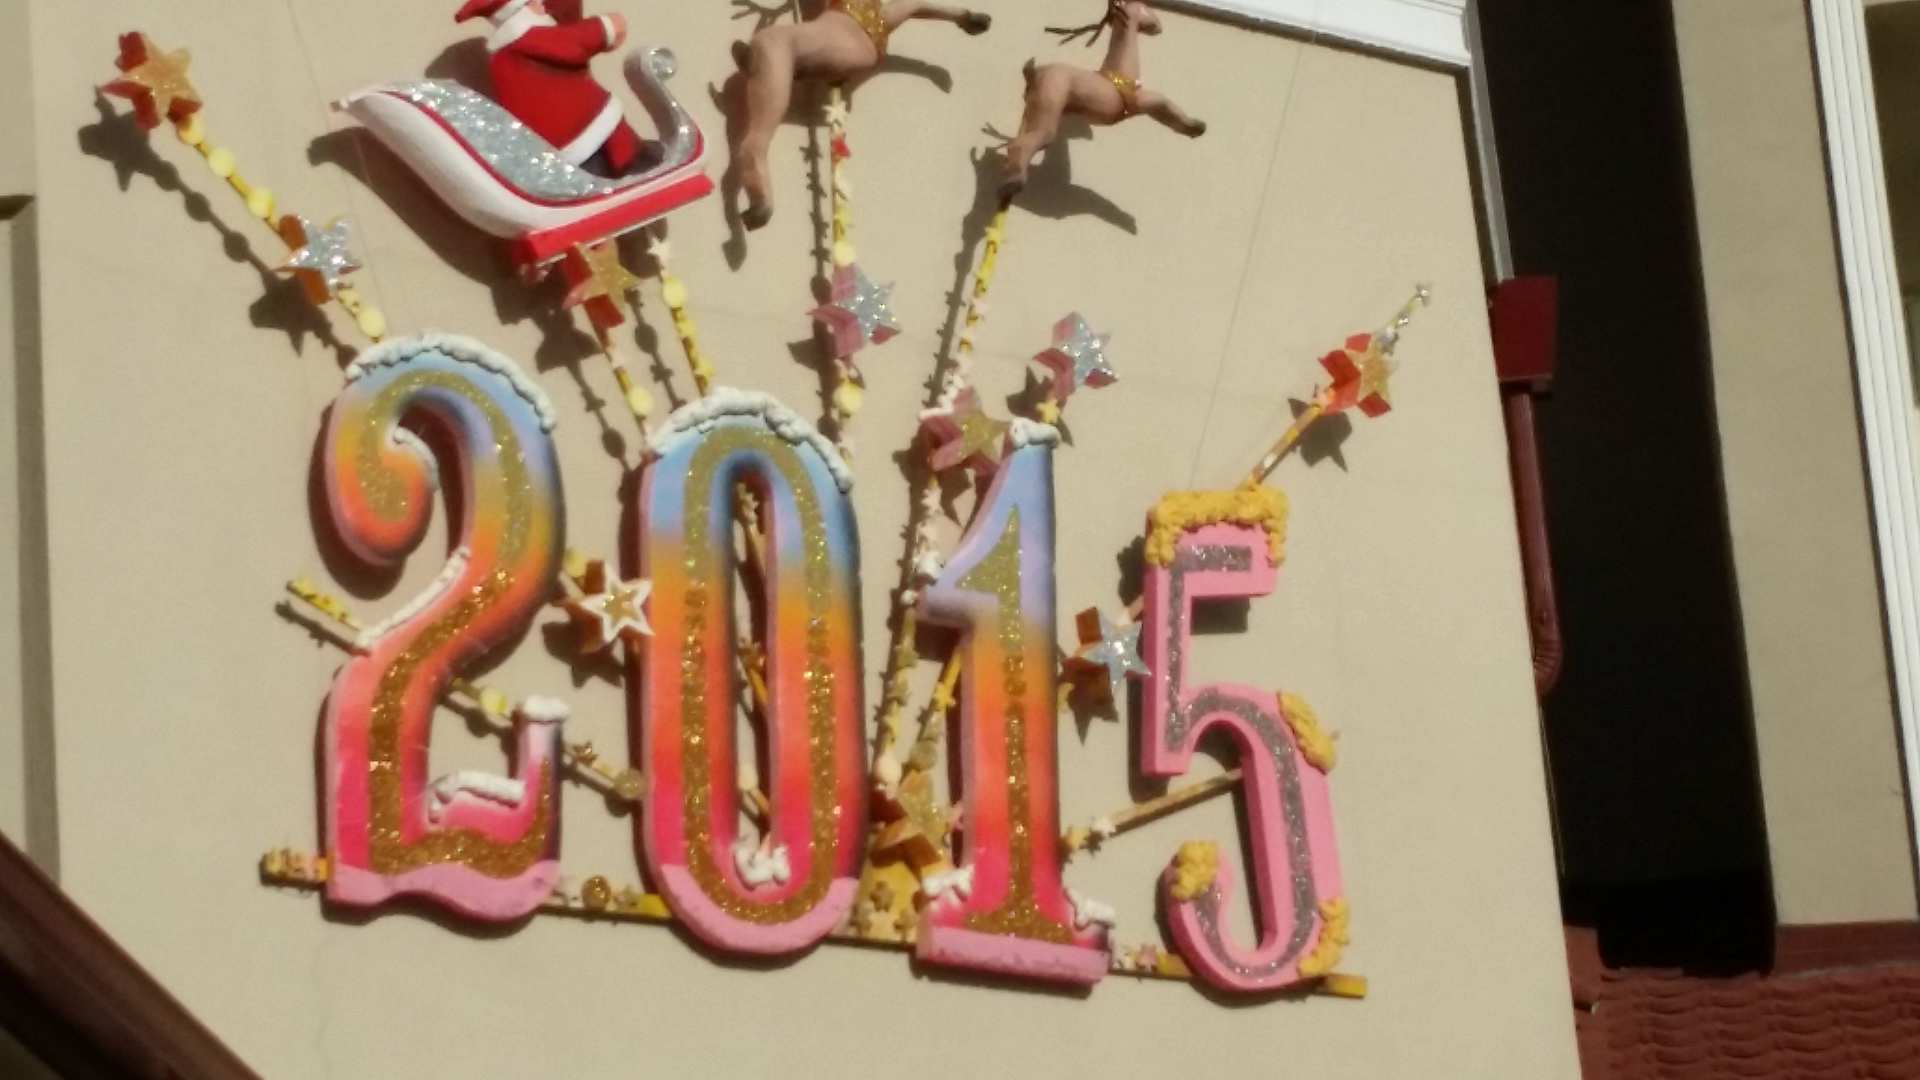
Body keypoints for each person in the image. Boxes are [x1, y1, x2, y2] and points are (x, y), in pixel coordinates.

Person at [731, 0, 993, 229]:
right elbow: (917, 6)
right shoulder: (883, 16)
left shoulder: (879, 14)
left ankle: (757, 155)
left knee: (772, 44)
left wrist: (962, 19)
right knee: (775, 49)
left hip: (829, 41)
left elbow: (917, 6)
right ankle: (763, 74)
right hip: (843, 47)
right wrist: (962, 17)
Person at [1003, 1, 1206, 199]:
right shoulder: (1134, 11)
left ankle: (1019, 161)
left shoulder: (1119, 16)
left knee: (1043, 132)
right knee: (1151, 100)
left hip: (1060, 76)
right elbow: (1156, 27)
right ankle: (1185, 125)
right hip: (1115, 86)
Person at [455, 0, 661, 179]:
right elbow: (571, 44)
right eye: (533, 2)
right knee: (608, 151)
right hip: (576, 133)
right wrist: (606, 27)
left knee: (615, 137)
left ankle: (637, 160)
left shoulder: (503, 56)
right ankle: (633, 168)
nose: (542, 5)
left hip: (574, 128)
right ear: (520, 12)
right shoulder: (527, 41)